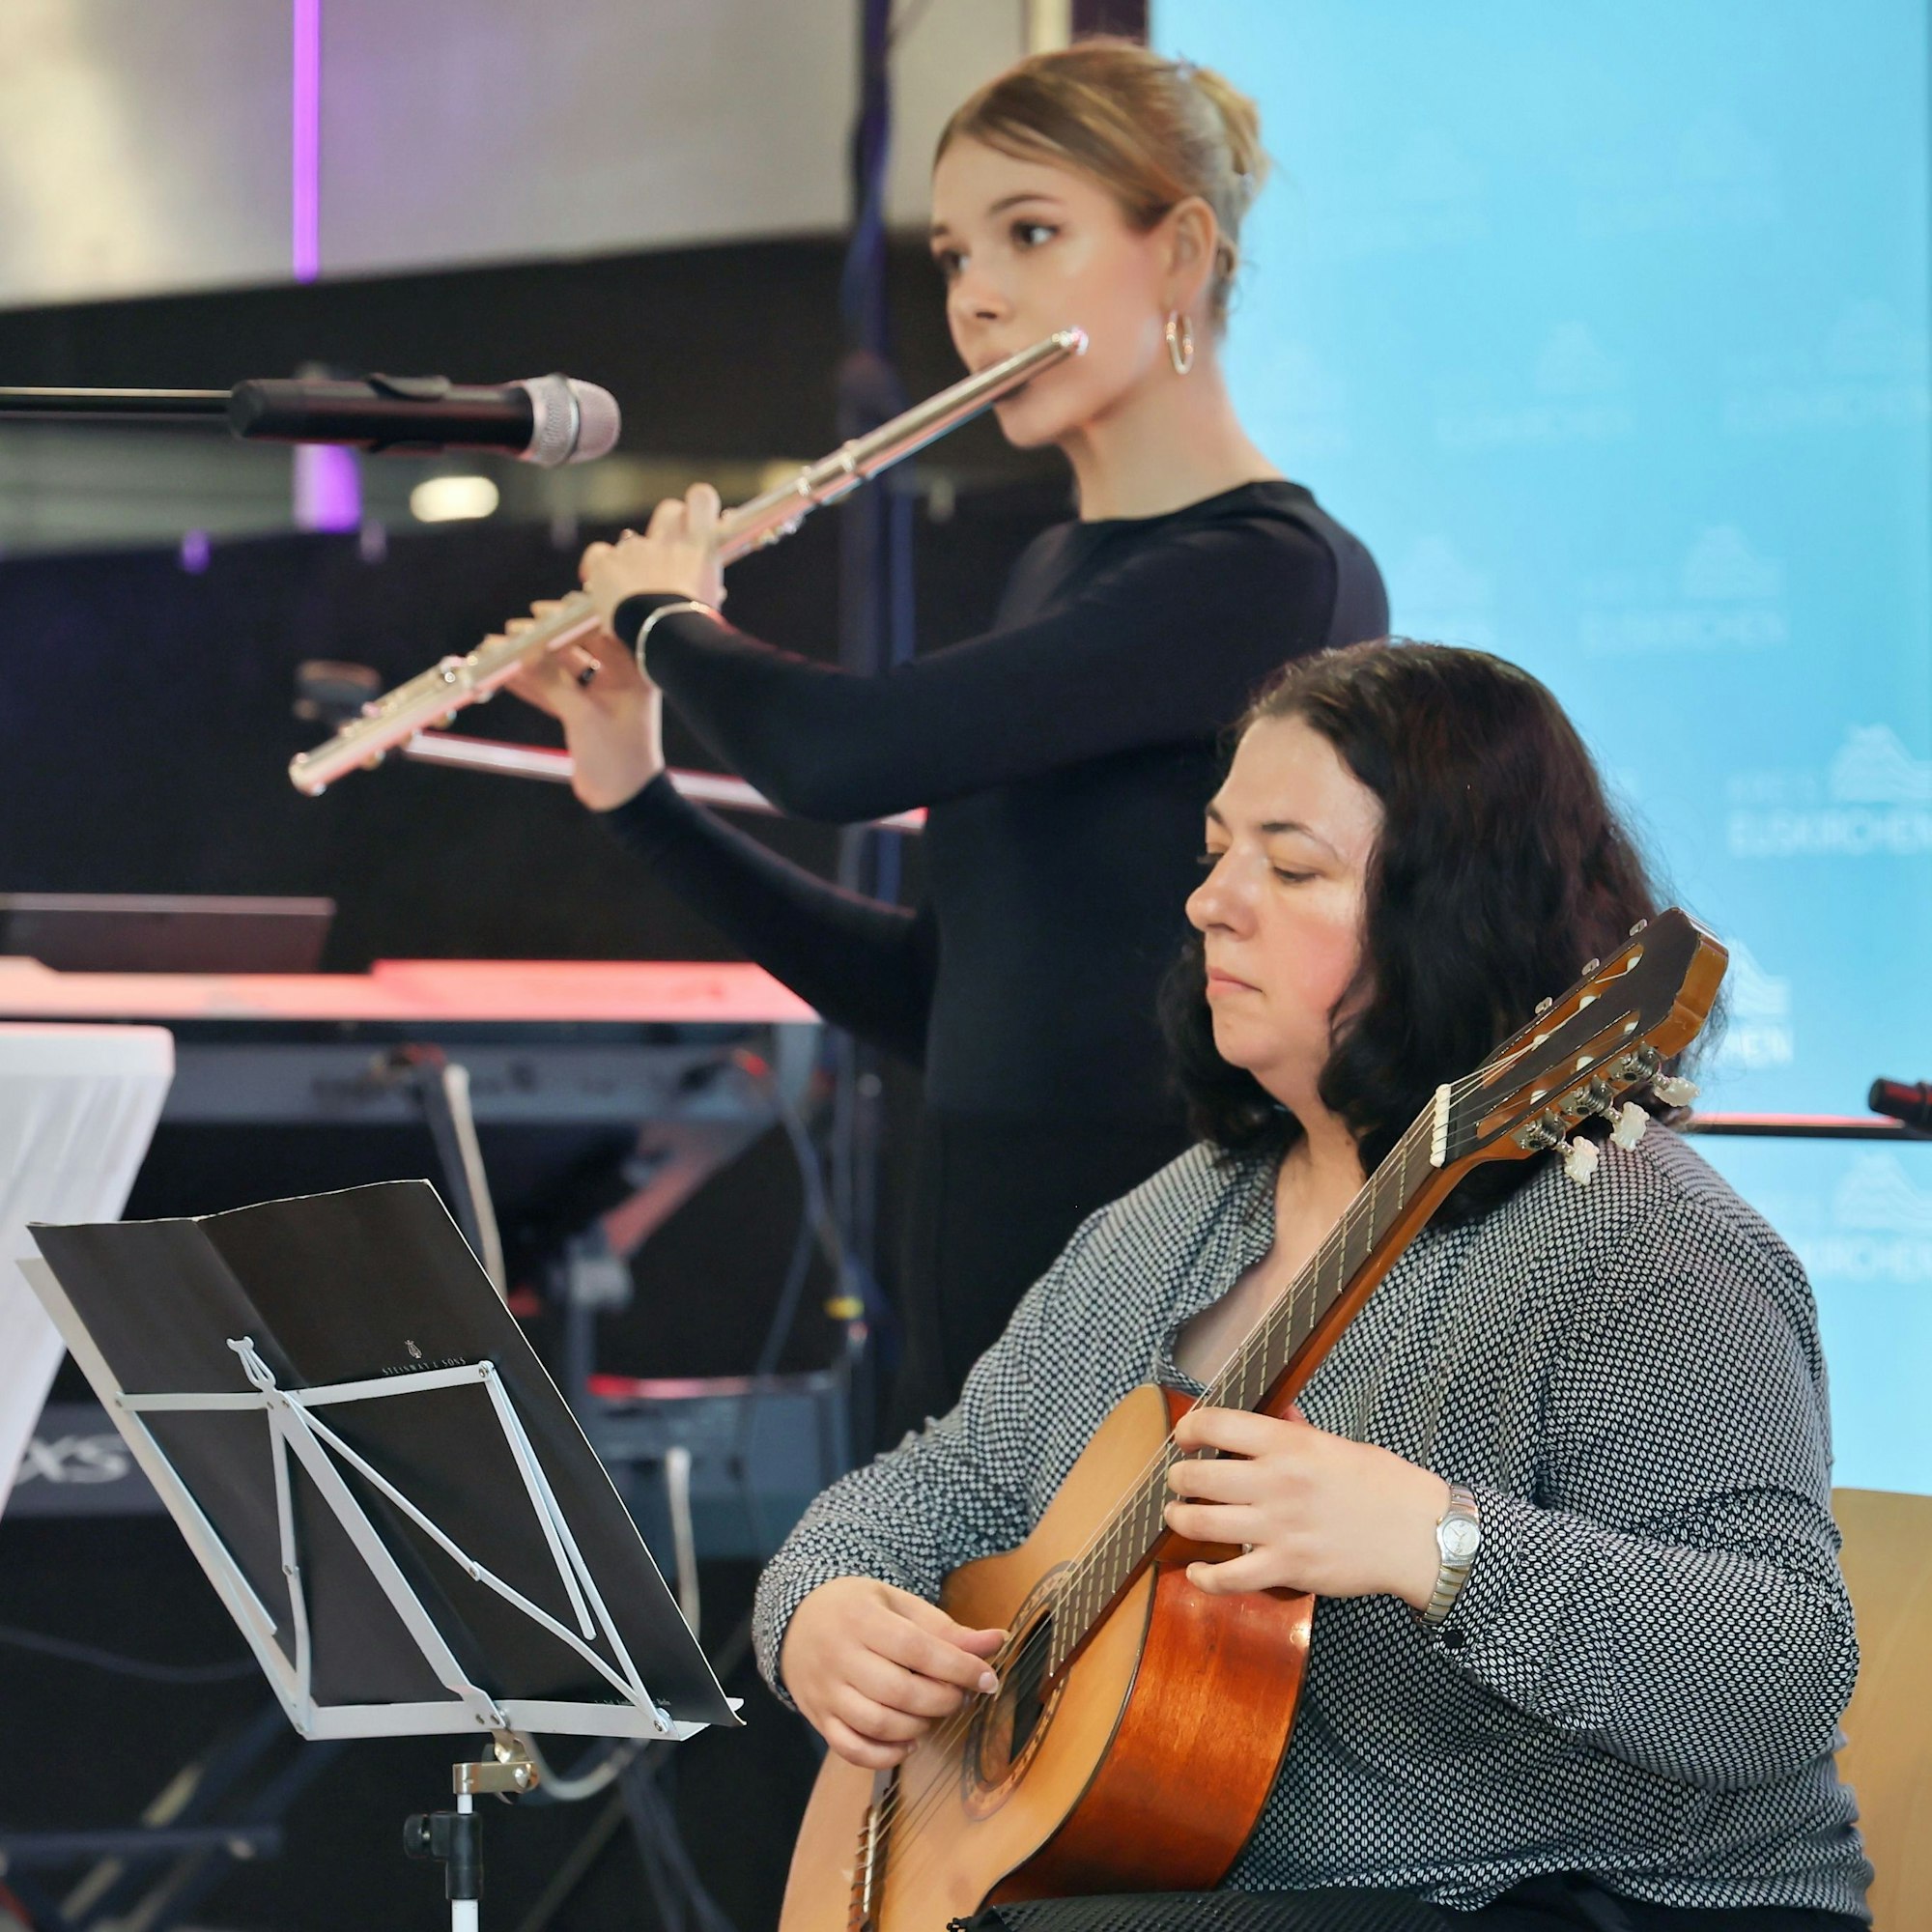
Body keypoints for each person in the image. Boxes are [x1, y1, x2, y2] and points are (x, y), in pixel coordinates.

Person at [753, 641, 1871, 1928]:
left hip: (1595, 1900)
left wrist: (1440, 1545)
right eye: (1217, 852)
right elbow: (951, 1479)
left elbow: (1782, 1670)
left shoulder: (1641, 1247)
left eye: (1291, 868)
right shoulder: (1183, 1213)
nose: (1213, 903)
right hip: (1237, 1890)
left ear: (1455, 915)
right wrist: (821, 1608)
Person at [508, 41, 1387, 1429]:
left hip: (1160, 1288)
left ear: (1180, 255)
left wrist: (670, 622)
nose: (978, 299)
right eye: (954, 255)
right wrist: (637, 793)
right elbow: (937, 993)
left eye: (1032, 235)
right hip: (987, 1290)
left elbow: (844, 755)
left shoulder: (1269, 573)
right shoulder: (1056, 570)